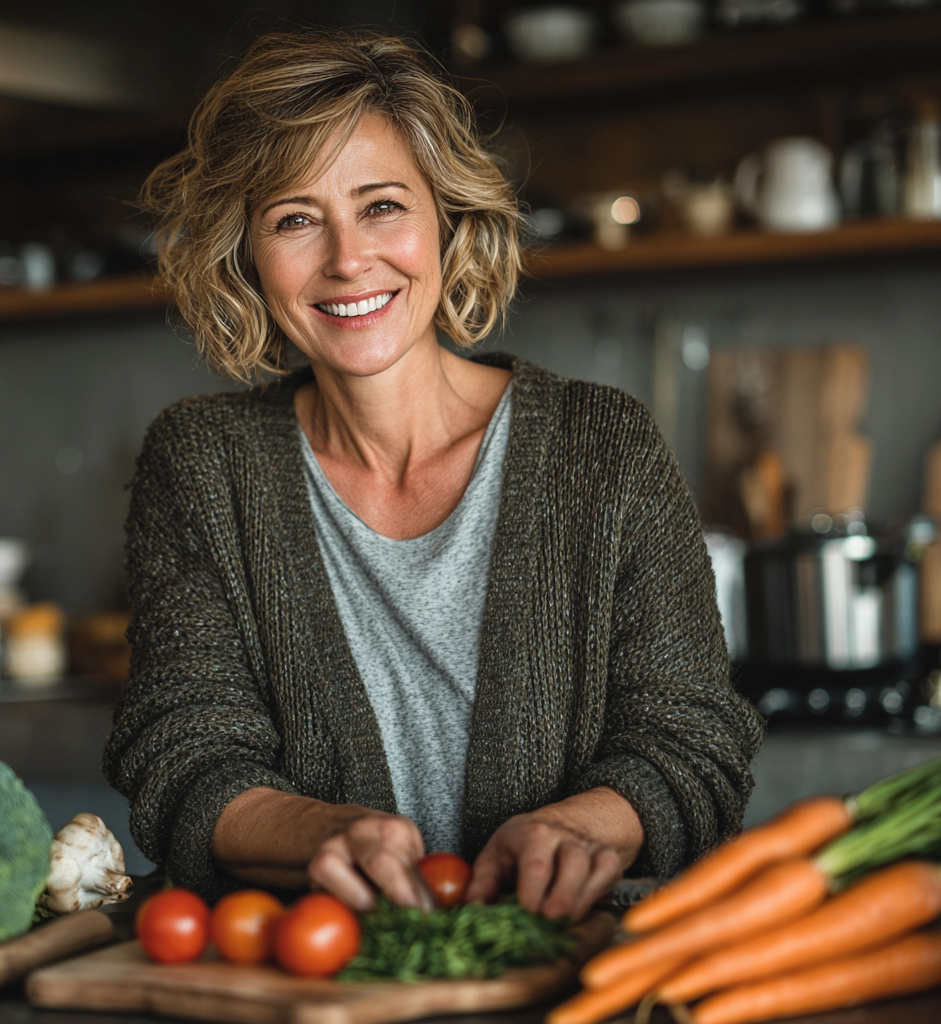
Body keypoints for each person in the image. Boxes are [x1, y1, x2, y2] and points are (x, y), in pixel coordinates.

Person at [103, 29, 763, 921]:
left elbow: (692, 739)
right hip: (316, 983)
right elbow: (183, 755)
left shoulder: (602, 446)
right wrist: (318, 835)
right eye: (295, 219)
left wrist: (583, 827)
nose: (346, 259)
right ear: (246, 257)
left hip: (570, 969)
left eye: (382, 206)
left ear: (446, 219)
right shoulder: (203, 465)